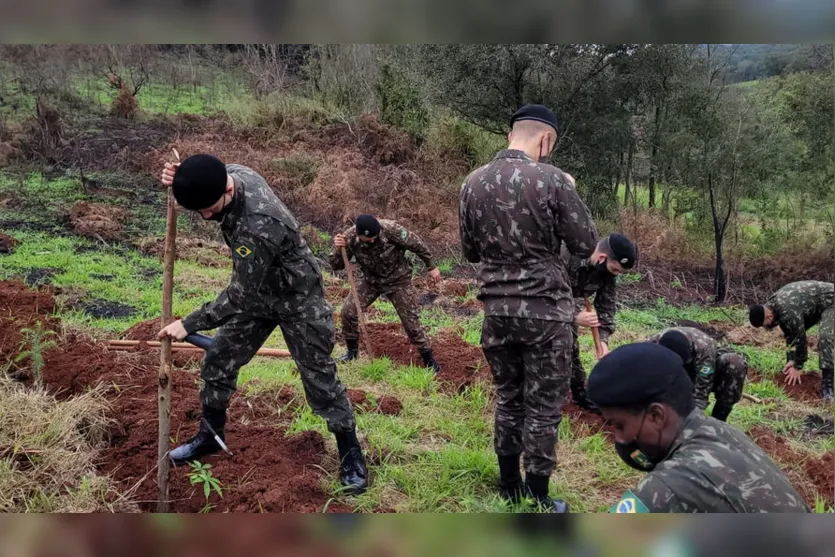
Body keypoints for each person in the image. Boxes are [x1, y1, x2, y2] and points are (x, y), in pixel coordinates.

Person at [156, 154, 368, 495]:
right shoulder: (234, 174)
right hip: (259, 293)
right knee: (219, 359)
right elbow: (206, 171)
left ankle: (351, 454)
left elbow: (238, 296)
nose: (206, 216)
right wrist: (181, 177)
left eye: (209, 209)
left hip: (298, 297)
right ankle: (210, 436)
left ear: (227, 189)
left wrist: (189, 323)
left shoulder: (257, 226)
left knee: (319, 378)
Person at [459, 103, 597, 512]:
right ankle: (537, 498)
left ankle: (508, 486)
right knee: (543, 406)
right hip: (546, 314)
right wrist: (567, 188)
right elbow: (587, 245)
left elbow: (469, 251)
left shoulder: (471, 182)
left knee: (509, 399)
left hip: (496, 313)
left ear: (510, 136)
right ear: (547, 139)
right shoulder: (554, 180)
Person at [587, 342, 810, 513]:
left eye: (619, 425)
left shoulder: (669, 485)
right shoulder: (723, 432)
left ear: (656, 415)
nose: (619, 437)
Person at [330, 215, 442, 372]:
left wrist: (431, 266)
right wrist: (338, 248)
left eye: (374, 238)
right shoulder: (349, 237)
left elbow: (417, 244)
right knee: (348, 312)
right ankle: (352, 352)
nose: (371, 241)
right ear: (358, 234)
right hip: (371, 281)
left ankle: (429, 360)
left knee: (411, 323)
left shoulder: (392, 230)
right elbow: (337, 265)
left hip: (398, 281)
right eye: (366, 239)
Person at [562, 232, 637, 412]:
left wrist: (603, 340)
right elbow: (545, 290)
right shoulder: (566, 254)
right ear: (602, 257)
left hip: (565, 309)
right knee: (557, 345)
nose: (616, 275)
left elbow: (606, 307)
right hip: (537, 308)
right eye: (615, 270)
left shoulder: (607, 273)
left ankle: (579, 393)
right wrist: (574, 316)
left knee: (570, 346)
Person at [749, 280, 834, 401]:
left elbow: (800, 338)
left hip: (831, 300)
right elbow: (790, 334)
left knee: (826, 337)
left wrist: (798, 366)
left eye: (765, 324)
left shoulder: (787, 310)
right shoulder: (773, 306)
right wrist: (791, 360)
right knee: (793, 330)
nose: (766, 327)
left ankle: (828, 386)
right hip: (815, 305)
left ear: (769, 316)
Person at [646, 326, 748, 421]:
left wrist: (693, 423)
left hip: (701, 372)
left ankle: (719, 419)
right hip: (671, 376)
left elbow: (702, 390)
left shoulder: (705, 347)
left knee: (735, 363)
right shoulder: (651, 347)